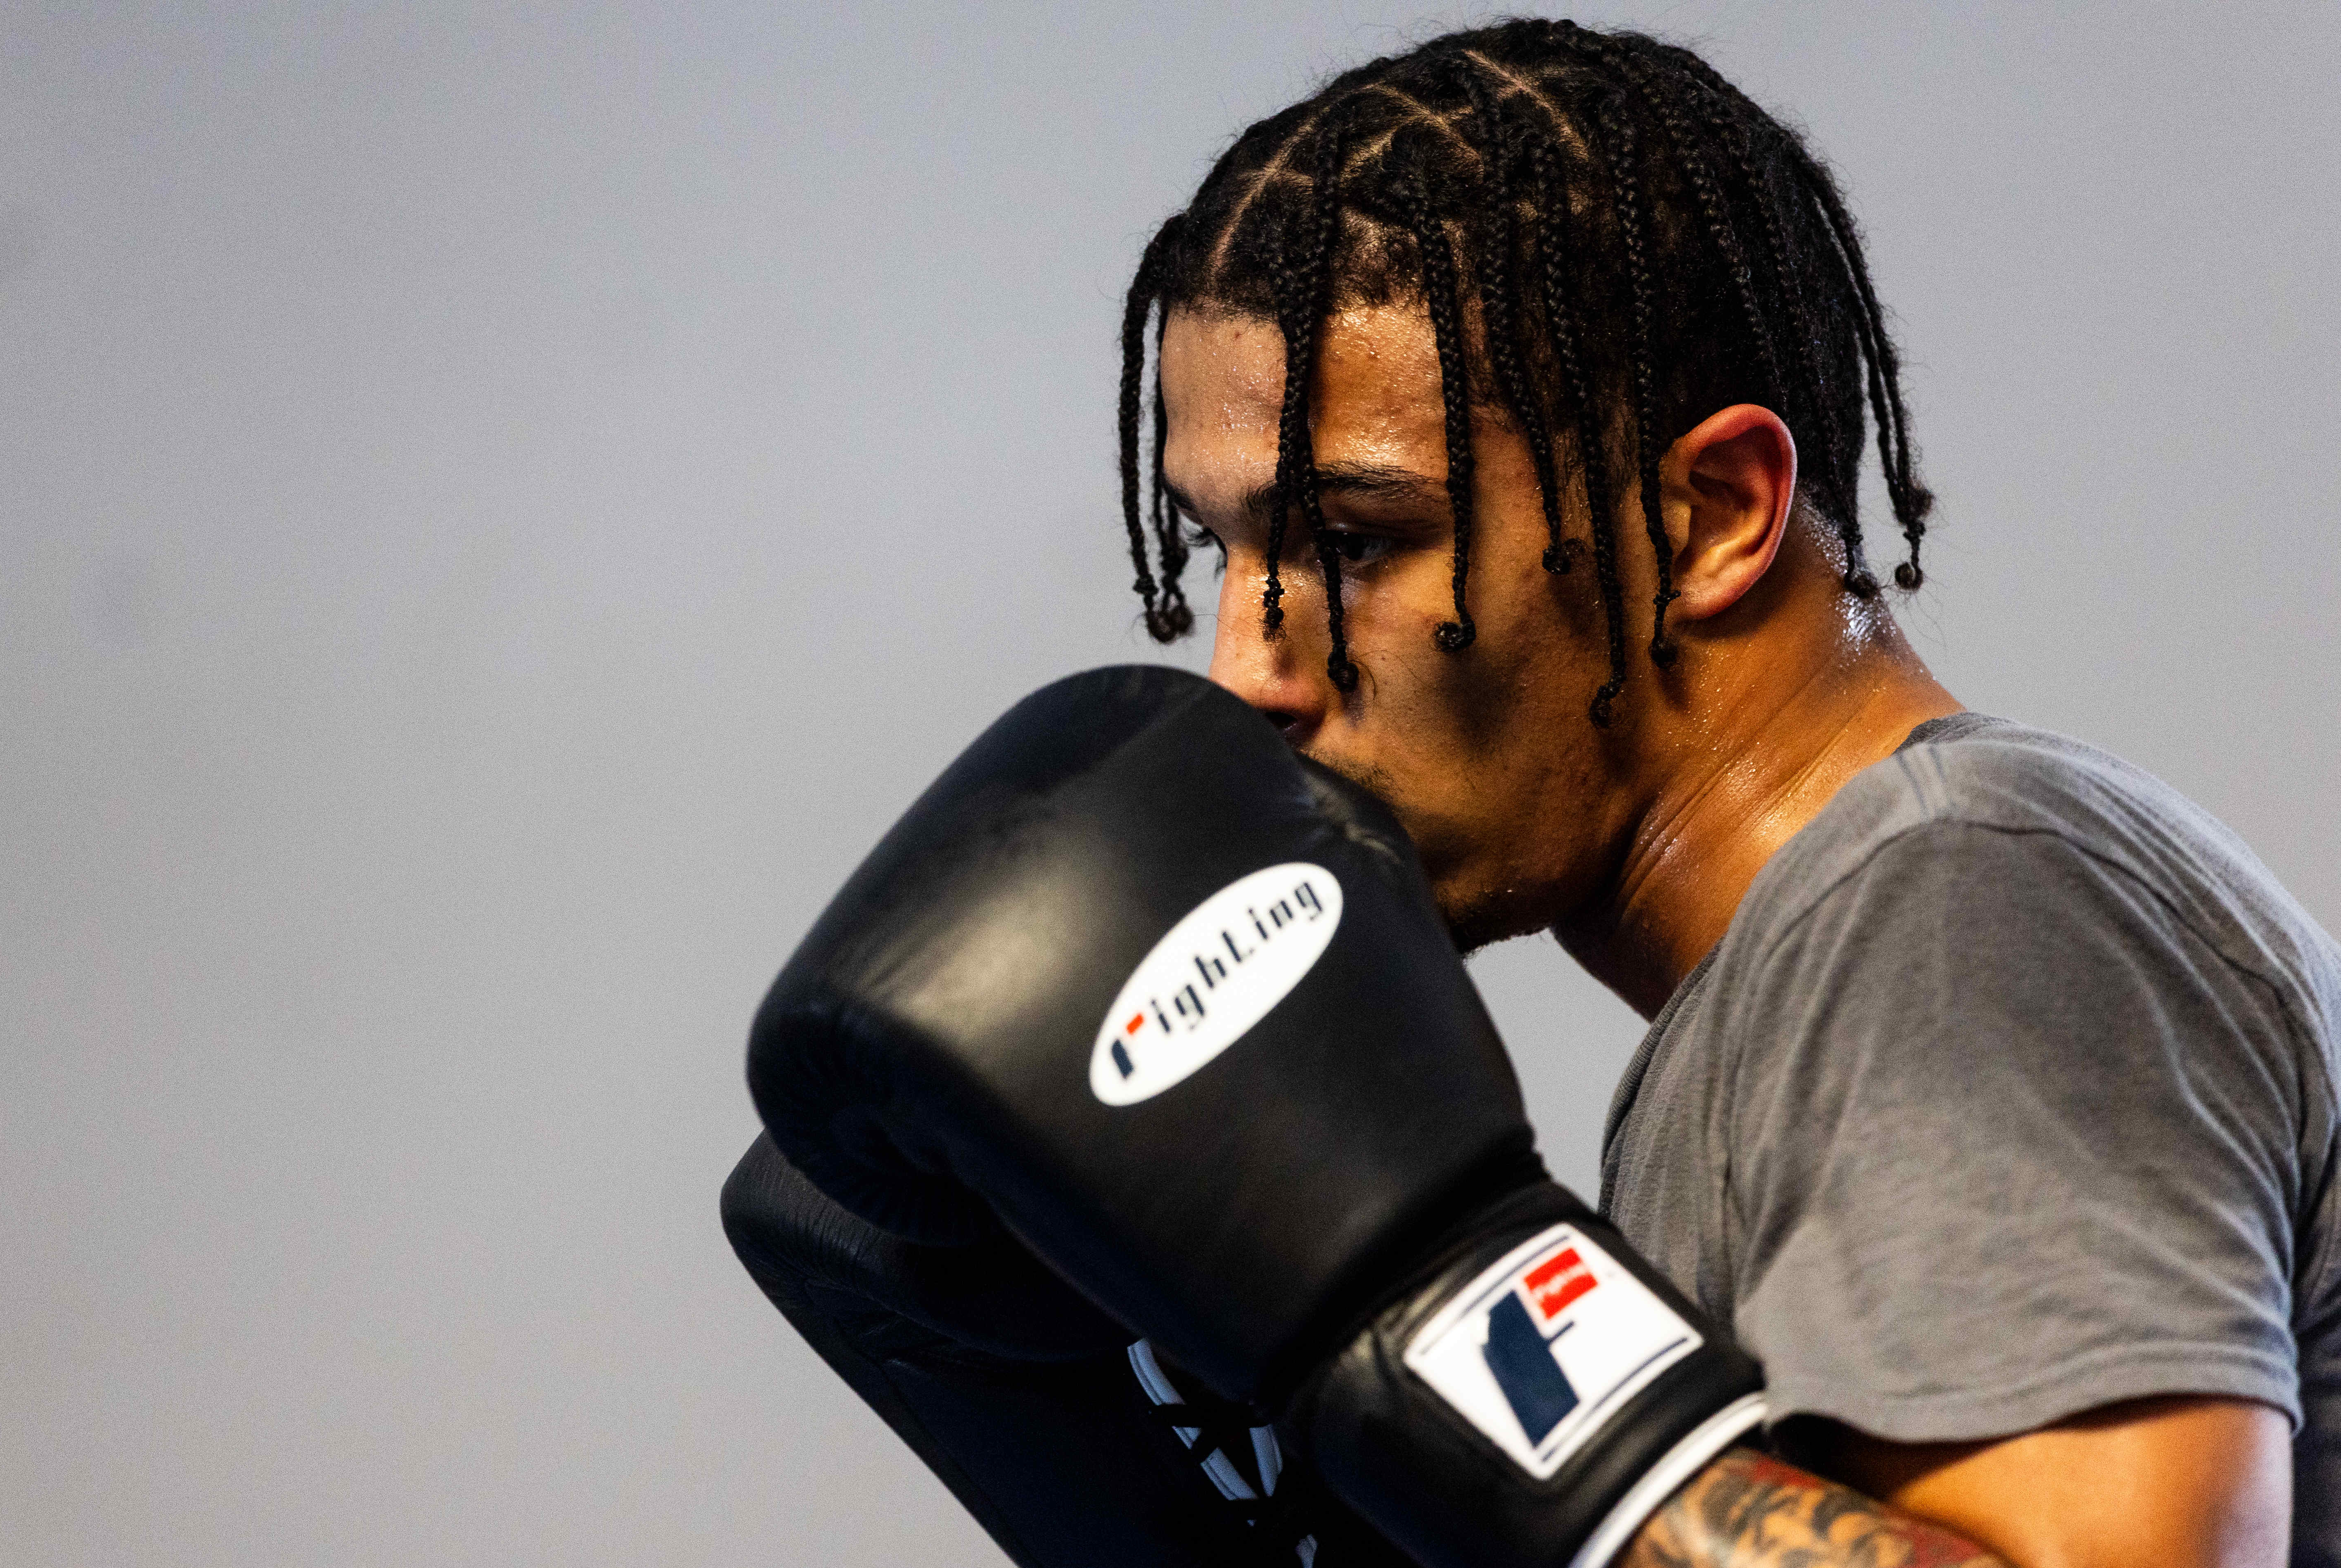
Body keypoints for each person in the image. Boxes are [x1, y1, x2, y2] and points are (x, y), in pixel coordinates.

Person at [730, 18, 2336, 1567]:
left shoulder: (1954, 905)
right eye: (1226, 550)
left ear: (1712, 514)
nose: (1253, 671)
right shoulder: (1778, 1010)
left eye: (1350, 541)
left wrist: (1437, 1311)